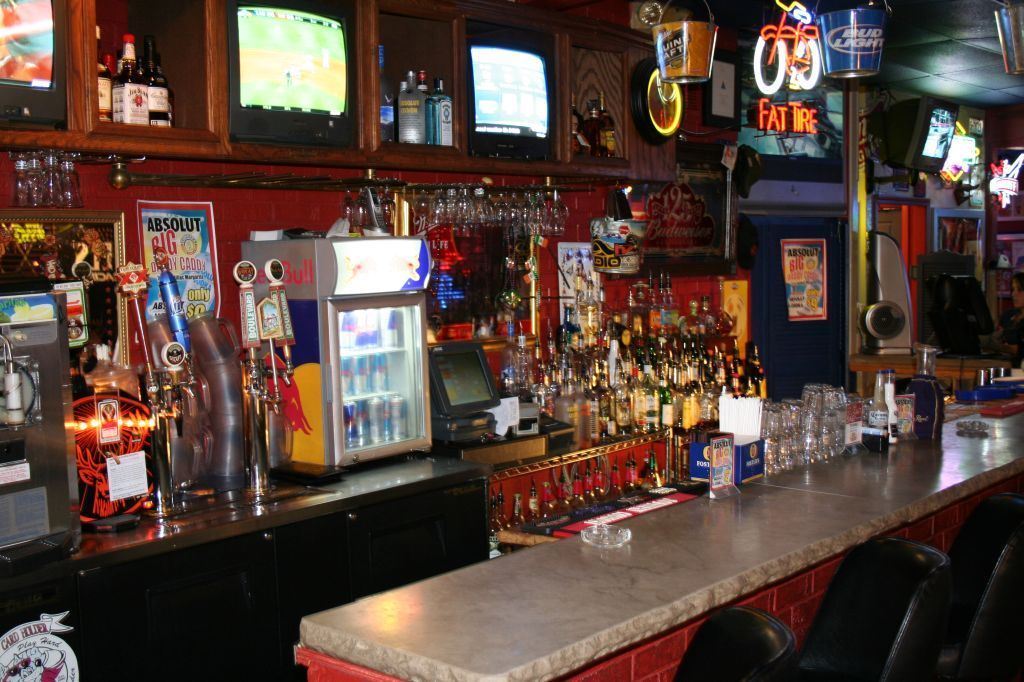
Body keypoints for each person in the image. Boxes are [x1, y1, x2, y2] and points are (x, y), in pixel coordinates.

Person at [995, 272, 1024, 366]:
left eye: (1019, 290)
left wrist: (999, 347)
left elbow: (1018, 350)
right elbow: (997, 336)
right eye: (1013, 290)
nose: (1014, 294)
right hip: (1005, 365)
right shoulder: (1007, 315)